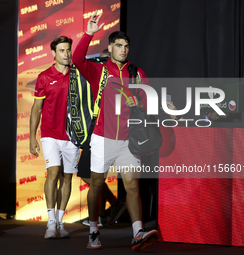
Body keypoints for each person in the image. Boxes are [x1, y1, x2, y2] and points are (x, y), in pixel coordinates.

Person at [73, 11, 159, 250]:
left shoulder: (136, 73)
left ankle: (137, 232)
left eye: (126, 46)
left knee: (132, 186)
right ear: (110, 48)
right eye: (119, 45)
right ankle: (92, 230)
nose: (124, 49)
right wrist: (88, 34)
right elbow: (78, 60)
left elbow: (147, 102)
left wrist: (139, 103)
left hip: (129, 141)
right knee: (97, 185)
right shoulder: (98, 71)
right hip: (102, 138)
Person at [30, 36, 79, 239]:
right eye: (61, 50)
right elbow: (36, 109)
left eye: (68, 50)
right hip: (50, 134)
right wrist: (32, 137)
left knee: (67, 178)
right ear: (53, 53)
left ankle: (60, 222)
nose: (66, 54)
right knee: (53, 172)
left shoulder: (77, 76)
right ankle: (50, 223)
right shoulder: (44, 77)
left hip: (72, 136)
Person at [81, 49, 127, 227]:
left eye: (107, 61)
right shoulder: (95, 75)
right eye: (102, 61)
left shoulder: (119, 79)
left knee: (94, 177)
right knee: (90, 176)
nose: (104, 64)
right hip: (92, 128)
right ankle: (112, 206)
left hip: (110, 131)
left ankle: (103, 214)